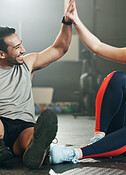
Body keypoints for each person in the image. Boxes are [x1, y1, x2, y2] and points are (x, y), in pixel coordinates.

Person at [49, 0, 126, 164]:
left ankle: (74, 154)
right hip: (119, 125)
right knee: (117, 77)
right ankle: (99, 137)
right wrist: (75, 20)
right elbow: (98, 46)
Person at [0, 4, 73, 169]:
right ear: (1, 54)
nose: (23, 50)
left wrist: (67, 22)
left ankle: (37, 152)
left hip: (23, 126)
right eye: (17, 47)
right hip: (0, 125)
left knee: (33, 139)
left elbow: (60, 48)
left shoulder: (27, 63)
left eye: (21, 44)